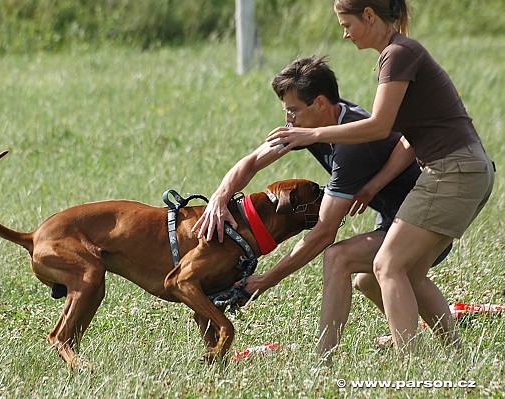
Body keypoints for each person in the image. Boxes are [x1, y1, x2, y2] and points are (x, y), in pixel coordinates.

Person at [266, 0, 495, 352]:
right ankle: (456, 355)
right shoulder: (399, 53)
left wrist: (315, 134)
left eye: (347, 24)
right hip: (467, 169)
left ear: (368, 17)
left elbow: (379, 127)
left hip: (453, 171)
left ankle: (410, 365)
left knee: (388, 265)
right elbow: (407, 136)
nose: (344, 33)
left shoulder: (398, 54)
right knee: (400, 275)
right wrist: (375, 186)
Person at [192, 55, 451, 360]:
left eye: (293, 110)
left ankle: (324, 361)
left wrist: (268, 279)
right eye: (286, 110)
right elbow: (251, 162)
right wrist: (220, 197)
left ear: (321, 104)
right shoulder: (313, 124)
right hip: (399, 219)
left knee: (338, 257)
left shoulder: (350, 146)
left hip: (424, 220)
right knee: (369, 280)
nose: (289, 119)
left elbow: (324, 232)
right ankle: (449, 350)